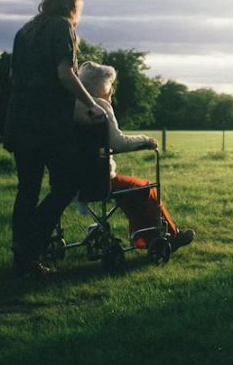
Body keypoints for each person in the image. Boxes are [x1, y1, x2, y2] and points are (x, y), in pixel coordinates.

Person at [3, 0, 107, 277]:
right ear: (72, 2)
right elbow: (65, 73)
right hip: (47, 122)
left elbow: (14, 74)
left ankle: (22, 259)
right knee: (66, 185)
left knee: (28, 190)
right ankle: (28, 248)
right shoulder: (62, 27)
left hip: (19, 119)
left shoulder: (25, 31)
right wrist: (91, 103)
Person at [75, 61, 195, 252]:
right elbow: (118, 142)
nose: (112, 90)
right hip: (99, 180)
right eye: (110, 85)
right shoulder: (100, 107)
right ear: (100, 86)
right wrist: (146, 140)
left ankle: (143, 237)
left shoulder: (72, 106)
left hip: (74, 180)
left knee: (131, 190)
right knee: (145, 188)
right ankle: (171, 235)